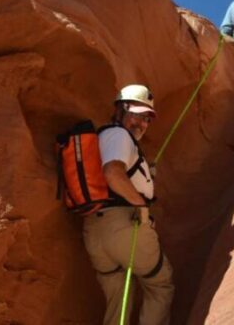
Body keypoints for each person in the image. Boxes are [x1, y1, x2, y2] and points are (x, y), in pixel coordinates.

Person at [83, 84, 174, 325]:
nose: (141, 123)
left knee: (119, 296)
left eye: (147, 118)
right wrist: (141, 205)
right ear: (121, 109)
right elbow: (112, 172)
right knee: (160, 285)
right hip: (124, 224)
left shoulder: (104, 136)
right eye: (136, 114)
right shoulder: (119, 135)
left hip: (95, 230)